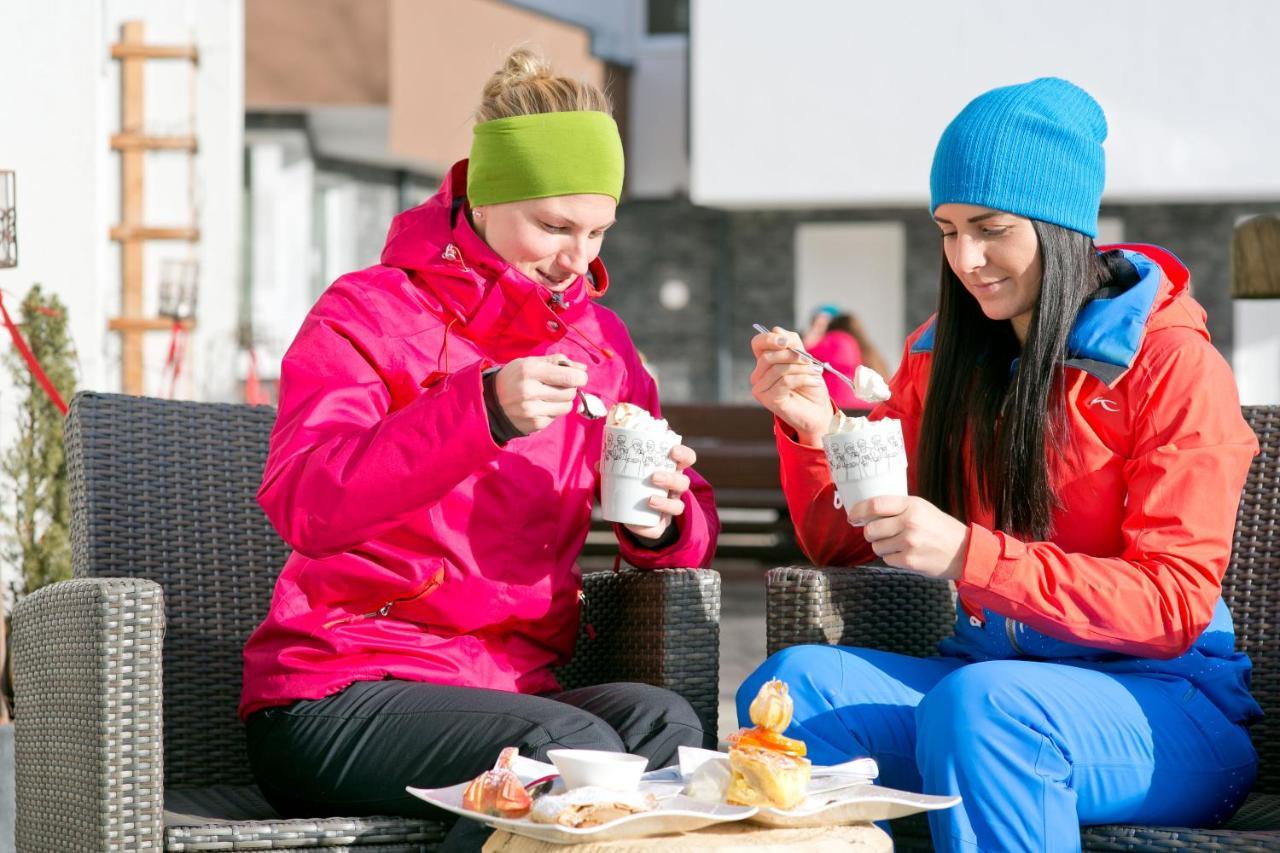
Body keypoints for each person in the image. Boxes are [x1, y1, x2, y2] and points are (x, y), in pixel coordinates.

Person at [744, 77, 1260, 852]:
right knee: (792, 688)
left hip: (1166, 707)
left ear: (1059, 227)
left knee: (985, 708)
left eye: (990, 229)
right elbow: (844, 543)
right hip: (984, 681)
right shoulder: (945, 357)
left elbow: (1175, 600)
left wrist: (969, 554)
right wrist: (818, 435)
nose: (967, 259)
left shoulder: (1171, 365)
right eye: (947, 231)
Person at [239, 48, 719, 851]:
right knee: (562, 761)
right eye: (555, 226)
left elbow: (686, 522)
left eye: (598, 230)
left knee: (663, 725)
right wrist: (479, 411)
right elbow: (304, 502)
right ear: (488, 197)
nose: (577, 260)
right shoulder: (370, 311)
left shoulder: (603, 345)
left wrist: (663, 524)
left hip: (514, 685)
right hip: (344, 683)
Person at [808, 311, 891, 410]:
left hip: (838, 405)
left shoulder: (836, 339)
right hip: (868, 406)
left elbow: (806, 356)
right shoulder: (867, 349)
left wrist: (815, 331)